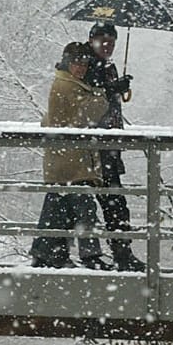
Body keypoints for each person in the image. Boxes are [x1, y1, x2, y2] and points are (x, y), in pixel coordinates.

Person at [30, 42, 113, 269]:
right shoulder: (67, 86)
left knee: (57, 209)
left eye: (84, 63)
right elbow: (83, 119)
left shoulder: (65, 83)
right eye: (76, 63)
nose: (81, 68)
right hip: (73, 163)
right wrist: (103, 94)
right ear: (68, 62)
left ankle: (46, 252)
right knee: (84, 208)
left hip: (64, 162)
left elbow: (48, 120)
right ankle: (90, 256)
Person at [78, 22, 148, 272]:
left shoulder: (108, 66)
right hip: (94, 147)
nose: (107, 47)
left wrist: (119, 89)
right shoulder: (84, 64)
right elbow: (88, 101)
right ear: (92, 40)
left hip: (109, 145)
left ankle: (120, 252)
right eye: (102, 42)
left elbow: (108, 101)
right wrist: (112, 90)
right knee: (98, 202)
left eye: (111, 43)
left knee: (114, 202)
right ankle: (100, 254)